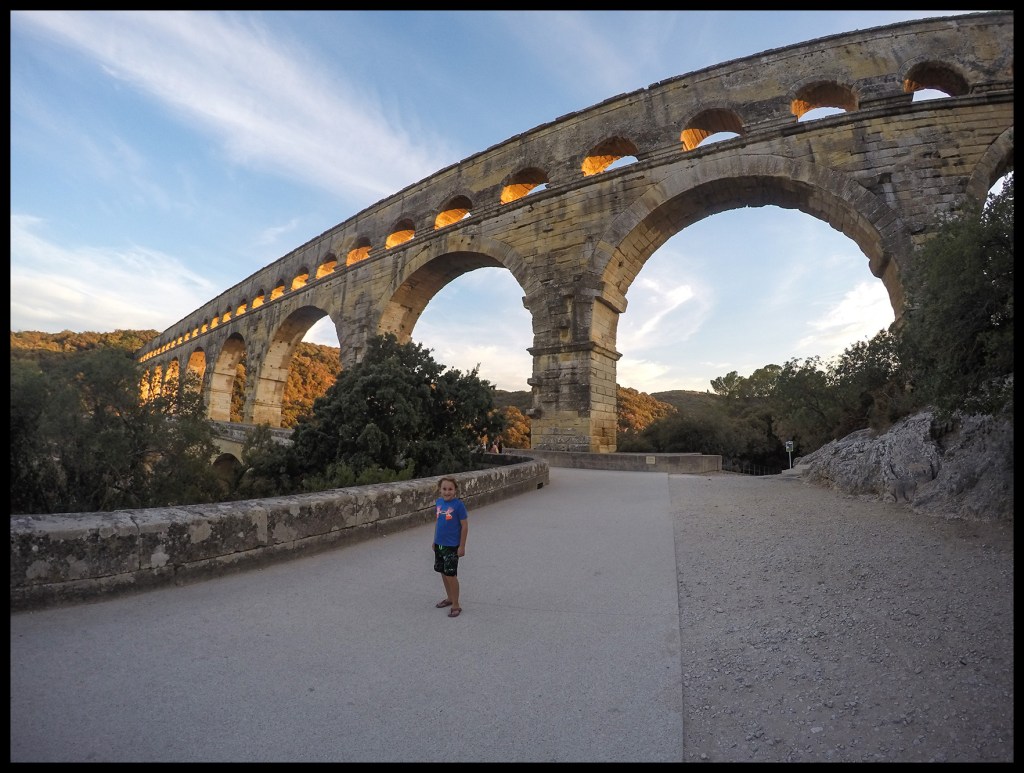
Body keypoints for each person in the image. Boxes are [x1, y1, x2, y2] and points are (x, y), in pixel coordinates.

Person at [433, 476, 468, 618]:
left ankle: (456, 604)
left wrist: (462, 546)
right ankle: (449, 598)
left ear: (455, 490)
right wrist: (434, 540)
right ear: (440, 490)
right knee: (443, 572)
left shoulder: (458, 505)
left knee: (451, 575)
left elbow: (464, 526)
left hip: (452, 545)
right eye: (444, 489)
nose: (447, 492)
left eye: (450, 489)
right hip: (440, 544)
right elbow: (438, 522)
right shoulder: (439, 502)